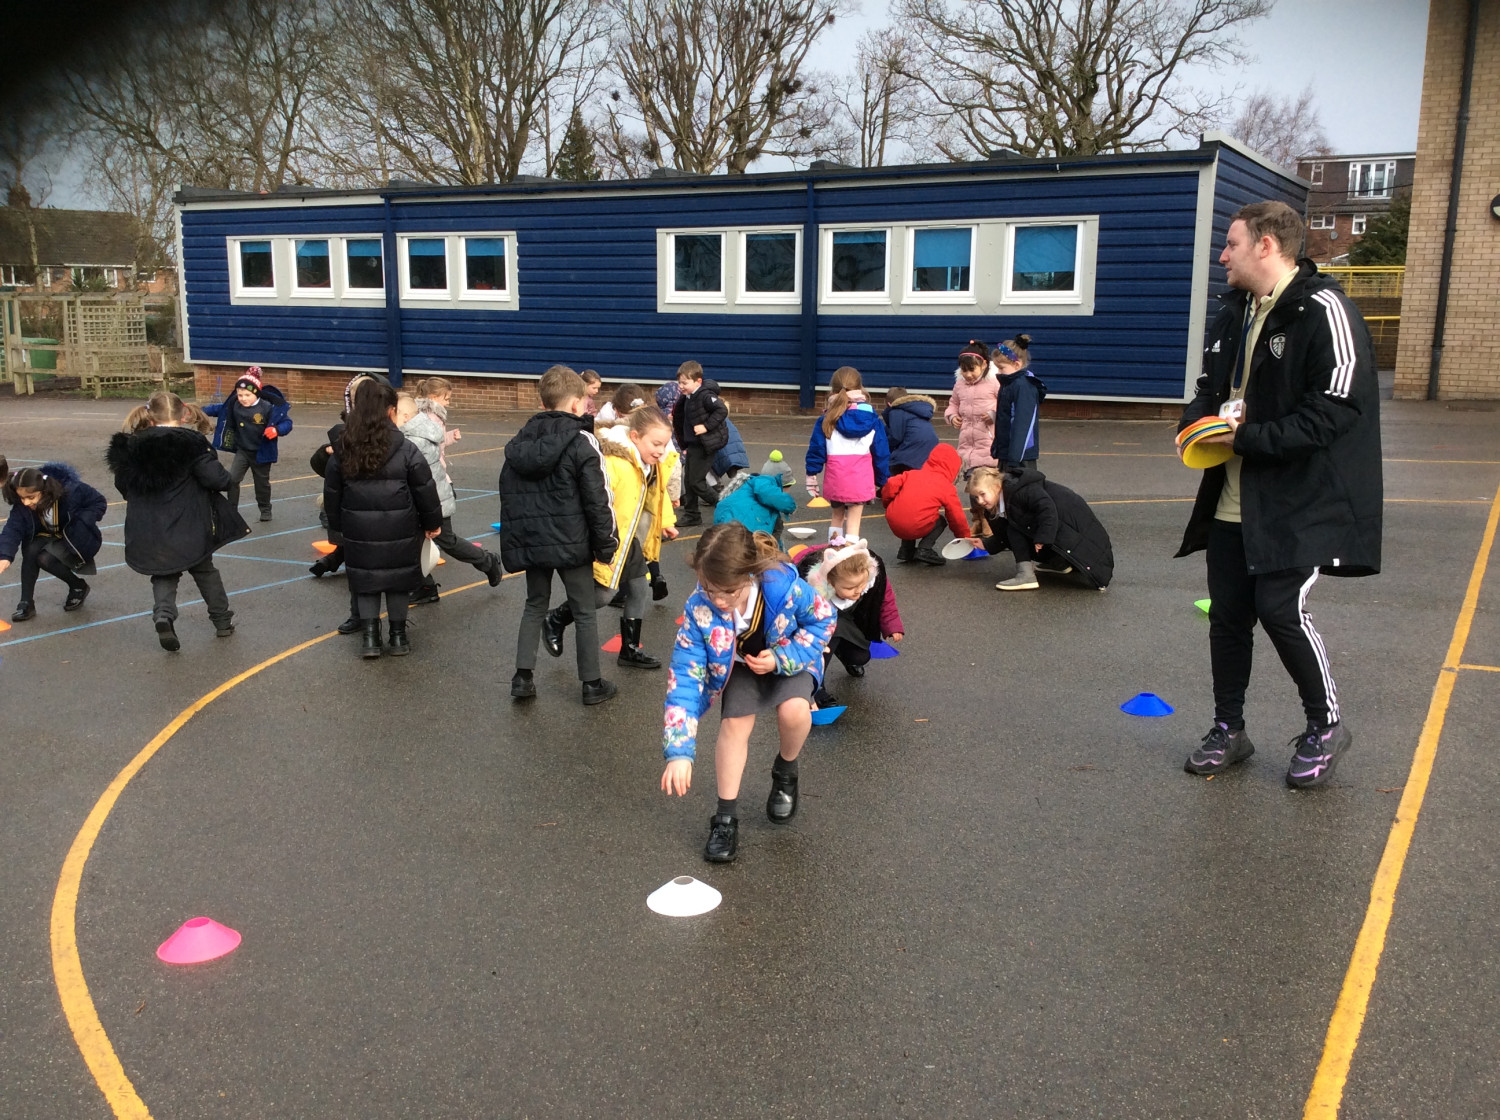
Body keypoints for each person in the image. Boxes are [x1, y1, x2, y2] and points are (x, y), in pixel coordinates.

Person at [1175, 200, 1381, 788]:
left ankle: (1325, 726)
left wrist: (1245, 438)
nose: (1223, 256)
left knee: (1280, 609)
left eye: (1232, 244)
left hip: (1301, 500)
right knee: (1228, 615)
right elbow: (1209, 387)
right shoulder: (1233, 311)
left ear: (1266, 245)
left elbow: (1335, 411)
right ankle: (1229, 729)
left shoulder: (1325, 310)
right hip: (1233, 497)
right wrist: (1194, 423)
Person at [660, 523, 837, 863]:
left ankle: (785, 770)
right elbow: (684, 677)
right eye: (709, 589)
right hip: (740, 665)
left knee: (794, 710)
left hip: (790, 655)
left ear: (750, 574)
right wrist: (679, 752)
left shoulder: (783, 587)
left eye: (728, 591)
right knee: (734, 725)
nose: (718, 600)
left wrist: (783, 657)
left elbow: (824, 619)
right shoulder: (700, 607)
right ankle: (725, 818)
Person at [499, 364, 619, 704]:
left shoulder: (520, 442)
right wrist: (606, 545)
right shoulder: (583, 441)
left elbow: (510, 496)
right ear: (577, 403)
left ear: (543, 402)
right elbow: (599, 499)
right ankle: (591, 683)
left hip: (533, 539)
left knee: (534, 604)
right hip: (572, 541)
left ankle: (523, 677)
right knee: (583, 611)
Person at [544, 405, 678, 670]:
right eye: (656, 444)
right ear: (635, 436)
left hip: (628, 538)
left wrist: (666, 522)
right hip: (609, 539)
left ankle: (629, 650)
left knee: (639, 588)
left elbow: (656, 495)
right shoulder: (616, 464)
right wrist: (598, 541)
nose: (661, 450)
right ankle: (556, 618)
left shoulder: (647, 464)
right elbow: (594, 502)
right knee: (605, 595)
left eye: (665, 445)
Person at [106, 392, 244, 650]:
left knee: (163, 574)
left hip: (148, 526)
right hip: (187, 523)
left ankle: (163, 614)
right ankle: (222, 621)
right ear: (184, 415)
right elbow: (216, 479)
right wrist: (230, 478)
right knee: (205, 570)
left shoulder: (131, 445)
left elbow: (123, 485)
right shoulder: (190, 443)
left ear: (150, 416)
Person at [324, 380, 443, 659]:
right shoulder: (405, 449)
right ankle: (398, 636)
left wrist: (337, 528)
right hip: (400, 527)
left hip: (358, 529)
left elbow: (332, 492)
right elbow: (424, 489)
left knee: (366, 582)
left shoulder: (343, 448)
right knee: (398, 582)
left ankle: (370, 638)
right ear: (391, 411)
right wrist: (432, 522)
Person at [396, 393, 503, 604]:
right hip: (421, 499)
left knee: (447, 541)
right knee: (413, 543)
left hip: (433, 501)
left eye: (394, 414)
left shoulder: (416, 439)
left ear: (406, 416)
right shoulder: (412, 433)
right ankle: (424, 586)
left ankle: (487, 561)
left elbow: (418, 476)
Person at [309, 373, 390, 635]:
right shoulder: (342, 432)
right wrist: (327, 452)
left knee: (394, 562)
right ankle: (360, 616)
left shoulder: (390, 429)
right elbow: (324, 471)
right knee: (358, 568)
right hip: (355, 509)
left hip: (387, 508)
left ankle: (399, 622)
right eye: (354, 395)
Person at [794, 538, 903, 708]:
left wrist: (892, 625)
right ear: (830, 582)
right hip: (816, 628)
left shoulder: (868, 573)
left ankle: (841, 650)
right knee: (832, 630)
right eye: (850, 588)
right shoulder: (810, 589)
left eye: (861, 586)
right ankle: (815, 686)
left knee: (860, 657)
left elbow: (884, 598)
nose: (857, 592)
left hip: (850, 620)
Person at [966, 466, 1113, 591]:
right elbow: (1003, 536)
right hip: (1060, 526)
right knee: (1015, 525)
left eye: (982, 494)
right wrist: (986, 544)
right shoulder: (999, 503)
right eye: (976, 497)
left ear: (997, 487)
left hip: (1073, 527)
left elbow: (1048, 510)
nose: (980, 501)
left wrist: (1043, 538)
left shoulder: (1020, 492)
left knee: (1014, 528)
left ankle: (1026, 576)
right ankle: (1059, 562)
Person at [0, 463, 107, 621]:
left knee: (44, 559)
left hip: (72, 536)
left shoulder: (72, 491)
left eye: (31, 497)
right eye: (22, 498)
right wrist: (4, 556)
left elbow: (99, 501)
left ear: (43, 491)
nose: (26, 502)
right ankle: (26, 603)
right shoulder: (22, 506)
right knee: (30, 549)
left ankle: (78, 586)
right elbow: (12, 528)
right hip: (47, 534)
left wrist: (83, 521)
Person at [805, 365, 890, 543]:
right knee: (854, 521)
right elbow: (881, 453)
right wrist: (883, 480)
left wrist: (811, 475)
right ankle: (850, 553)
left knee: (836, 517)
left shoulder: (827, 419)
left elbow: (816, 449)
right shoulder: (872, 419)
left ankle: (833, 549)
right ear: (860, 388)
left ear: (833, 389)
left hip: (836, 479)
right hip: (860, 479)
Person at [203, 366, 293, 523]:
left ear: (256, 393)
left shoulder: (267, 407)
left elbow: (287, 423)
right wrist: (199, 410)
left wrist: (276, 430)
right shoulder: (234, 404)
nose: (243, 398)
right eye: (240, 395)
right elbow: (220, 409)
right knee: (232, 479)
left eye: (247, 395)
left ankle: (265, 509)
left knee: (261, 484)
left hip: (261, 452)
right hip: (243, 451)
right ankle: (232, 510)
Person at [878, 443, 972, 565]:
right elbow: (956, 516)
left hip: (894, 521)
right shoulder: (945, 487)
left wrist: (888, 504)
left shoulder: (911, 474)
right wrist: (964, 538)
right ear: (953, 467)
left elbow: (890, 484)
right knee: (939, 521)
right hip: (916, 525)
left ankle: (906, 550)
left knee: (909, 510)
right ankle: (925, 549)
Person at [669, 360, 729, 526]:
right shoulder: (688, 397)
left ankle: (723, 504)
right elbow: (684, 417)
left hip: (704, 444)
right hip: (693, 444)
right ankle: (692, 514)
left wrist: (706, 426)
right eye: (679, 382)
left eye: (685, 383)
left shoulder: (705, 395)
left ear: (698, 381)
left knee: (696, 482)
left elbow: (722, 410)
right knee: (688, 481)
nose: (681, 386)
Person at [990, 334, 1046, 470]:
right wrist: (998, 447)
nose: (999, 372)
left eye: (1001, 368)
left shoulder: (1023, 387)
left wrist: (1015, 458)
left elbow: (1023, 424)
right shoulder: (1008, 384)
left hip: (1020, 457)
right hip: (1007, 452)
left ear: (1017, 364)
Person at [943, 341, 1000, 474]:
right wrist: (952, 416)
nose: (968, 374)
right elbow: (954, 403)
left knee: (985, 481)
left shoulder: (994, 382)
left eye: (972, 369)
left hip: (989, 445)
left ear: (984, 364)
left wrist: (994, 414)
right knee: (971, 479)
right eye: (964, 370)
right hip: (966, 445)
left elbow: (1005, 404)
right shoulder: (960, 385)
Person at [714, 458, 798, 547]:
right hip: (742, 534)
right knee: (776, 525)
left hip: (723, 526)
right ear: (781, 483)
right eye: (788, 487)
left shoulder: (747, 487)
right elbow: (774, 497)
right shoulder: (764, 484)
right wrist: (791, 506)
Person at [882, 386, 939, 475]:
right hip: (930, 446)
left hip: (913, 448)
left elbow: (896, 437)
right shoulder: (917, 409)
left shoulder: (896, 411)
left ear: (889, 404)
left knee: (894, 468)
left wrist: (883, 446)